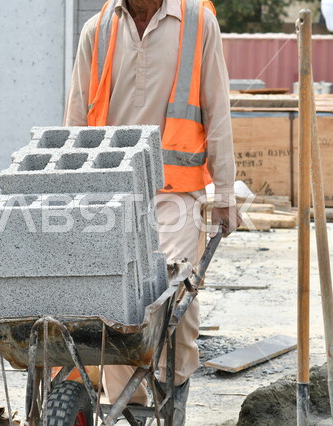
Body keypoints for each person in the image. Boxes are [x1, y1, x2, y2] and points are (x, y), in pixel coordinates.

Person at [64, 0, 241, 423]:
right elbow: (75, 116)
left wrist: (226, 192)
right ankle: (134, 404)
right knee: (113, 297)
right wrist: (67, 190)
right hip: (111, 192)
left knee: (170, 291)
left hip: (176, 191)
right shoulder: (98, 28)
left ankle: (172, 387)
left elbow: (218, 110)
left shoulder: (199, 23)